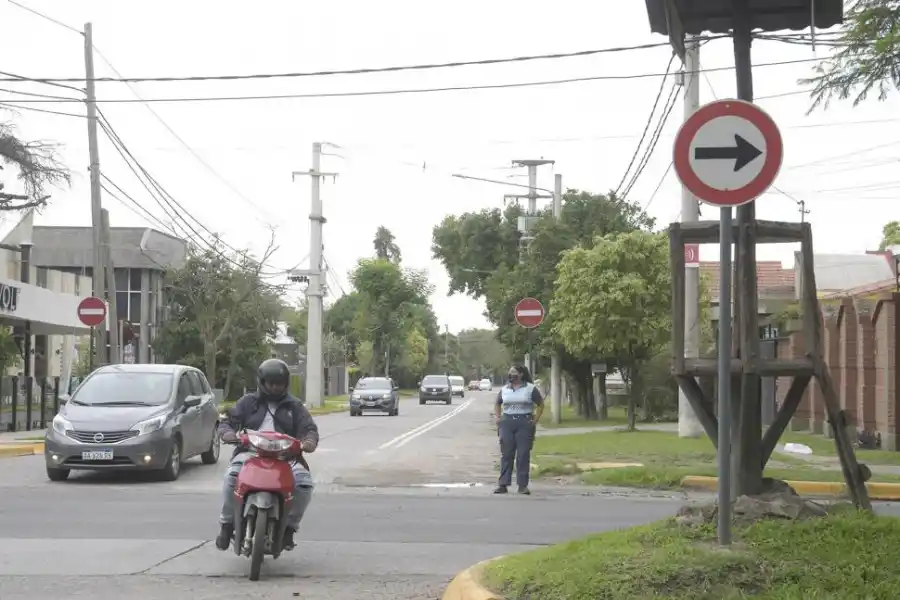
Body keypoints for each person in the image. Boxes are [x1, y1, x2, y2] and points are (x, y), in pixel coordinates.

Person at [215, 358, 319, 551]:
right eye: (271, 383)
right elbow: (227, 421)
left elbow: (309, 428)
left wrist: (309, 441)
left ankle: (289, 528)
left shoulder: (295, 406)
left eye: (279, 384)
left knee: (304, 484)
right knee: (231, 477)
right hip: (250, 453)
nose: (275, 388)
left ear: (286, 383)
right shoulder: (247, 402)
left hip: (285, 457)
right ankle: (227, 525)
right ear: (261, 382)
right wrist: (227, 433)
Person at [493, 364, 544, 495]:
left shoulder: (530, 389)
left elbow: (540, 404)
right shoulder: (505, 389)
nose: (511, 375)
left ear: (521, 374)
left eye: (514, 372)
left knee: (522, 454)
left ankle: (522, 485)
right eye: (510, 372)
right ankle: (503, 484)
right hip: (507, 422)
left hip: (524, 423)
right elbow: (498, 403)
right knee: (507, 454)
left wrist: (535, 420)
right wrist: (498, 417)